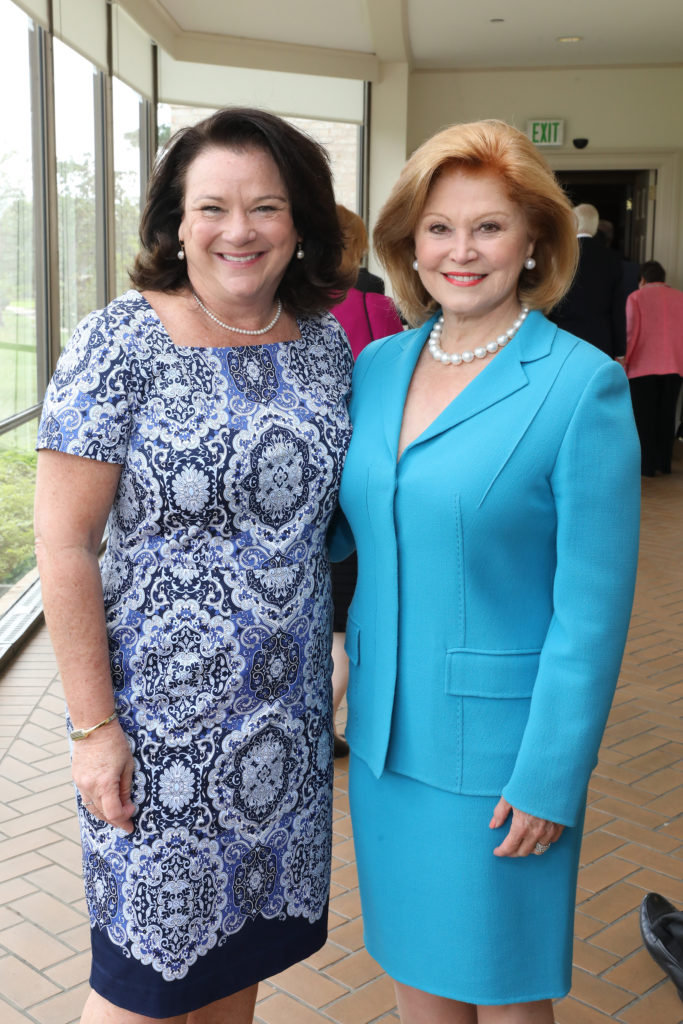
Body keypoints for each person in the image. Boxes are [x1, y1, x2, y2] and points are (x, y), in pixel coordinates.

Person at [34, 107, 354, 1024]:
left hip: (282, 730)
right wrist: (94, 731)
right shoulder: (120, 343)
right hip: (158, 735)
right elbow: (63, 545)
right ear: (177, 221)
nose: (239, 229)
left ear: (301, 224)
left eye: (266, 206)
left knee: (229, 975)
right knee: (142, 987)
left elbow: (327, 521)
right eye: (212, 206)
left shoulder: (324, 346)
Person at [333, 120, 641, 1023]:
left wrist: (551, 775)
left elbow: (591, 611)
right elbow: (356, 528)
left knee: (501, 988)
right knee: (415, 975)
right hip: (385, 742)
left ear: (535, 240)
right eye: (438, 228)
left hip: (498, 757)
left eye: (488, 227)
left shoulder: (578, 385)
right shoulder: (378, 368)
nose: (459, 251)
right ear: (408, 244)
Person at [329, 205, 403, 757]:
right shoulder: (375, 308)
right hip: (360, 479)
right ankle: (328, 720)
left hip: (300, 485)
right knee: (342, 618)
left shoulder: (279, 312)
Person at [625, 260, 683, 476]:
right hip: (675, 366)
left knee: (644, 418)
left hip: (642, 366)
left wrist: (625, 360)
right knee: (667, 415)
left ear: (642, 279)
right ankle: (664, 463)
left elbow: (631, 332)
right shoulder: (681, 298)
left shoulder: (636, 297)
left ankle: (647, 466)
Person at [549, 202, 626, 359]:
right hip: (600, 341)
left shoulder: (558, 256)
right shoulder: (613, 259)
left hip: (563, 337)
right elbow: (618, 309)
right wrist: (620, 351)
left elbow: (548, 299)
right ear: (596, 226)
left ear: (573, 223)